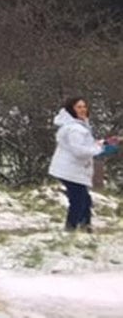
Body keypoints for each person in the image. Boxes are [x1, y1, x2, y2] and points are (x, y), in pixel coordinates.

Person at [47, 96, 120, 232]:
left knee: (85, 200)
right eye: (79, 107)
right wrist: (100, 150)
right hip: (70, 171)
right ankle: (71, 229)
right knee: (79, 201)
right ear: (71, 109)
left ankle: (85, 226)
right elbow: (79, 151)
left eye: (84, 107)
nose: (82, 110)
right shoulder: (75, 129)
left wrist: (104, 143)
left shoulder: (78, 125)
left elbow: (86, 145)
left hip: (72, 169)